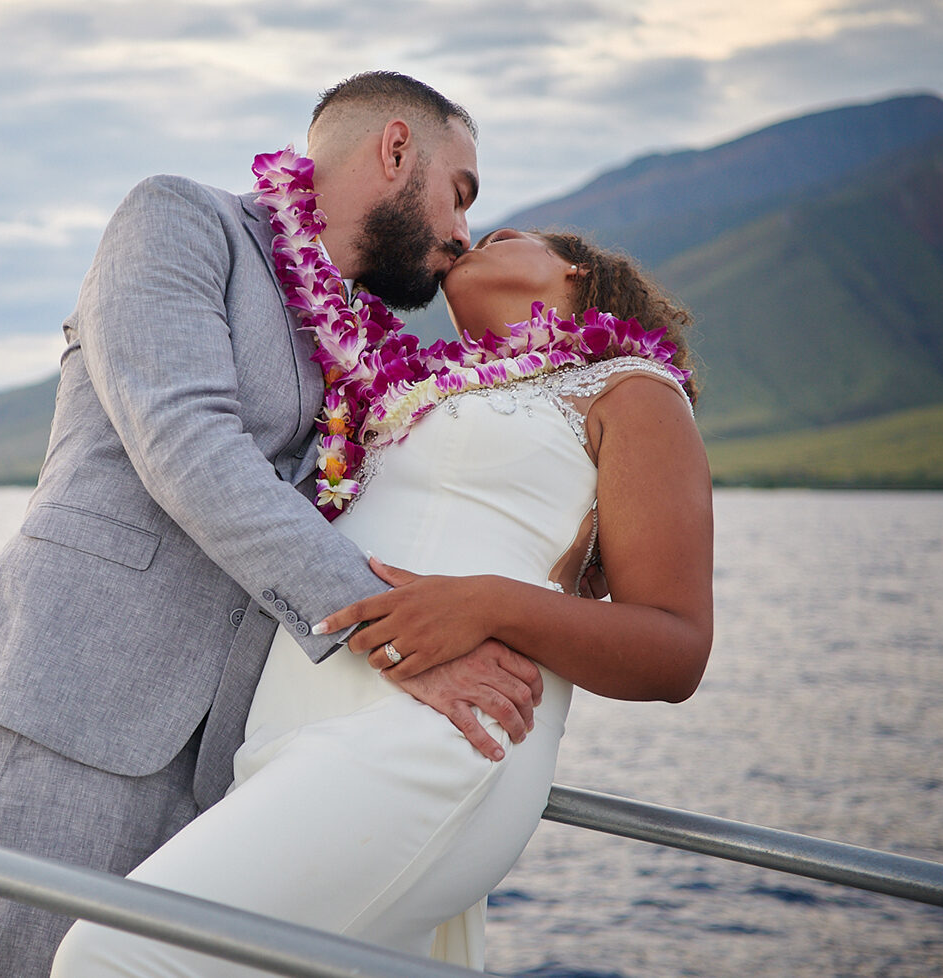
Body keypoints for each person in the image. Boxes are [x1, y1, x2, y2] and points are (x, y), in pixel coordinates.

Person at [0, 72, 548, 978]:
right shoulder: (177, 219)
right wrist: (406, 638)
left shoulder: (360, 337)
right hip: (72, 718)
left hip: (232, 763)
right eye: (462, 192)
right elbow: (187, 445)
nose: (461, 234)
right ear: (396, 148)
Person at [49, 201, 713, 976]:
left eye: (498, 234)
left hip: (434, 736)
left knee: (113, 950)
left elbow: (676, 647)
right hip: (285, 728)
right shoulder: (413, 395)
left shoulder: (631, 390)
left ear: (578, 272)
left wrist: (488, 602)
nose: (466, 238)